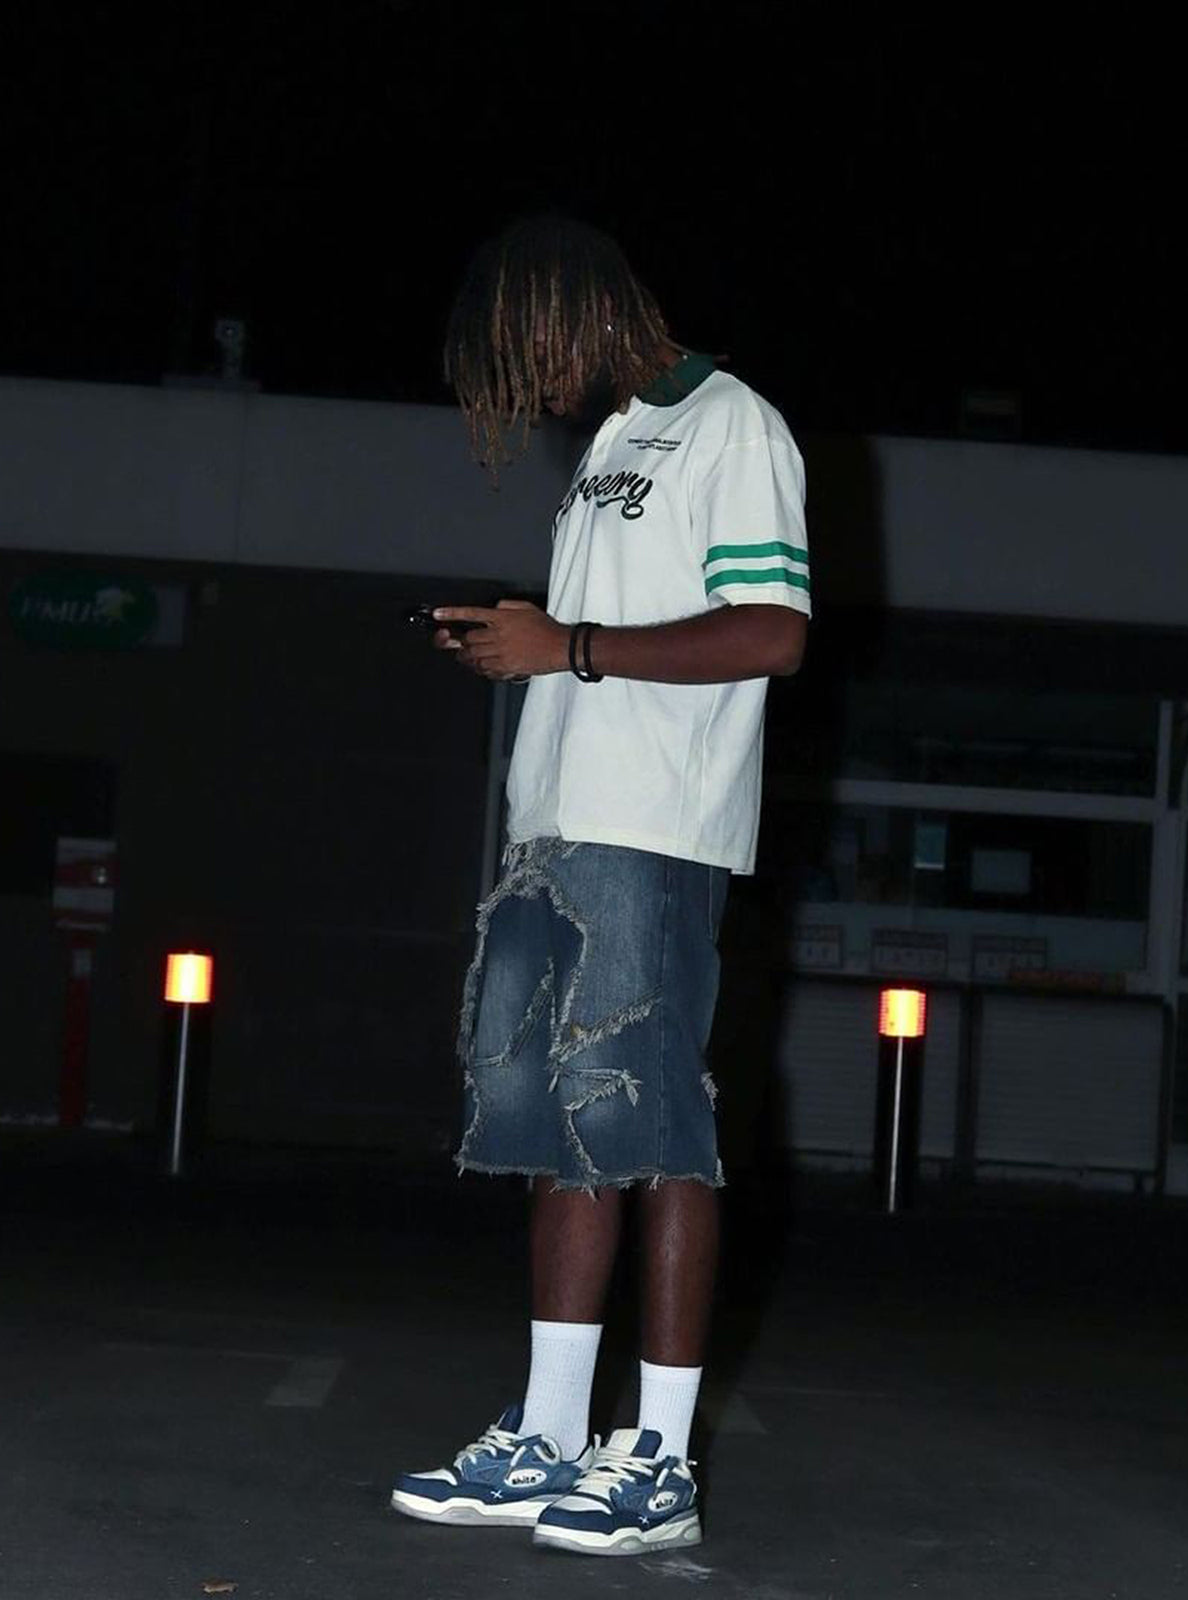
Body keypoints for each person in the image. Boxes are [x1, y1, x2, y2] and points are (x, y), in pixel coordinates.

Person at [390, 215, 810, 1556]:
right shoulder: (616, 442)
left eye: (528, 351)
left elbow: (773, 631)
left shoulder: (731, 424)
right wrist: (526, 643)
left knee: (653, 1123)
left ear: (581, 309)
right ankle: (551, 1435)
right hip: (557, 827)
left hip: (655, 832)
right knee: (554, 1127)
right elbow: (606, 635)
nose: (532, 384)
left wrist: (563, 644)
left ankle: (663, 1461)